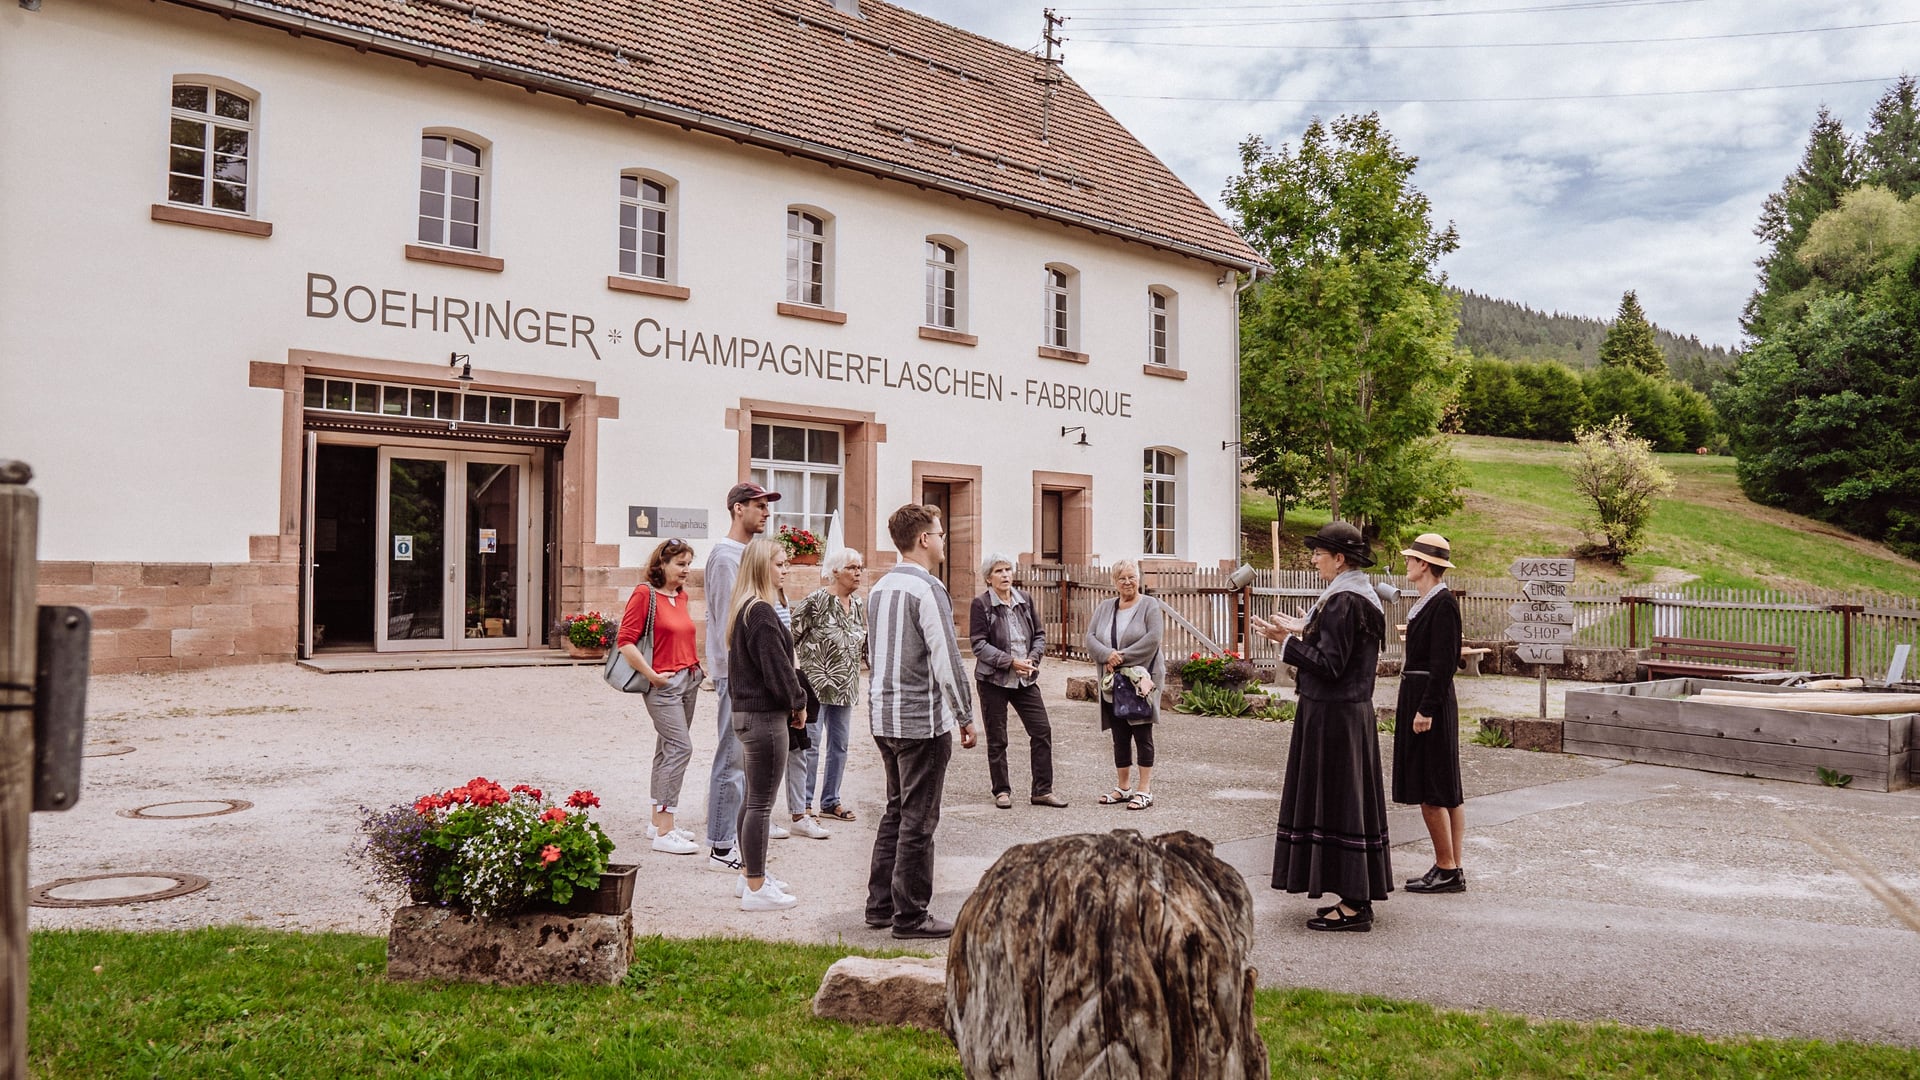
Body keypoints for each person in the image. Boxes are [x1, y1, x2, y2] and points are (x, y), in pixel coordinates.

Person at [1251, 520, 1392, 932]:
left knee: (1342, 802)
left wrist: (1287, 644)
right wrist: (1300, 631)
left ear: (1340, 559)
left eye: (1318, 554)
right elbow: (1338, 651)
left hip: (1335, 716)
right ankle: (1352, 894)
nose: (1314, 561)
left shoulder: (1345, 600)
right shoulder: (1352, 596)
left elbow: (1331, 665)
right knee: (1341, 802)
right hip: (1344, 714)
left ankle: (1356, 902)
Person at [864, 504, 977, 940]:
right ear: (925, 539)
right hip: (920, 721)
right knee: (918, 820)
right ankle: (910, 915)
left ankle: (881, 904)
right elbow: (947, 658)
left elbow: (873, 654)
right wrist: (965, 715)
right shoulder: (928, 589)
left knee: (895, 810)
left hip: (884, 715)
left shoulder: (878, 588)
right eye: (941, 533)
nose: (944, 540)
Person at [704, 481, 783, 876]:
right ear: (738, 509)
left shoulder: (749, 554)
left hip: (746, 671)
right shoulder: (724, 557)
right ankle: (720, 842)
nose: (766, 513)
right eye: (759, 506)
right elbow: (726, 618)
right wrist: (740, 671)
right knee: (731, 757)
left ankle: (747, 826)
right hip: (734, 673)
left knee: (750, 758)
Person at [724, 539, 807, 910]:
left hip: (746, 715)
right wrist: (798, 703)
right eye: (779, 563)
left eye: (787, 563)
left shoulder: (745, 608)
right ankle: (757, 887)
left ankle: (749, 875)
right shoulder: (760, 612)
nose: (785, 569)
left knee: (753, 799)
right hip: (763, 717)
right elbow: (779, 669)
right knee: (760, 803)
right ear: (762, 567)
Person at [615, 537, 704, 855]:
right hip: (662, 684)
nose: (686, 570)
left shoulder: (681, 596)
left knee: (667, 748)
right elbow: (625, 641)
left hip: (689, 680)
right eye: (680, 564)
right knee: (681, 748)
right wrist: (651, 675)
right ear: (661, 564)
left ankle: (657, 822)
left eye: (689, 564)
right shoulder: (644, 594)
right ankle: (666, 832)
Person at [1393, 533, 1467, 895]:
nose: (1406, 563)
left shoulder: (1442, 603)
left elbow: (1444, 662)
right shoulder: (1428, 602)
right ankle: (1450, 866)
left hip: (1428, 700)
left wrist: (1425, 708)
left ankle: (1447, 866)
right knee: (1444, 785)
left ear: (1424, 564)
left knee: (1433, 787)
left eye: (1410, 559)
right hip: (1423, 695)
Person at [970, 553, 1065, 809]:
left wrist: (1032, 660)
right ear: (989, 578)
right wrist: (1011, 662)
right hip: (994, 680)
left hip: (1025, 679)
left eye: (1008, 569)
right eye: (999, 571)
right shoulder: (981, 605)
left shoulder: (1025, 600)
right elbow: (979, 645)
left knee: (1042, 731)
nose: (1005, 575)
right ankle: (1001, 791)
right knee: (998, 737)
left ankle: (1042, 791)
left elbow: (1040, 635)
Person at [789, 546, 867, 830]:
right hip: (815, 685)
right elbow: (791, 636)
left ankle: (830, 800)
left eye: (860, 567)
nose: (858, 572)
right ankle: (805, 803)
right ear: (835, 571)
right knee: (810, 744)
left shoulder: (858, 604)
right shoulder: (816, 600)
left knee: (840, 746)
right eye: (852, 568)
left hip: (845, 686)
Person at [1085, 559, 1163, 810]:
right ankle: (1123, 787)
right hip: (1114, 681)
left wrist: (1120, 658)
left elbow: (1153, 639)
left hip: (1140, 679)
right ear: (1114, 582)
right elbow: (1090, 637)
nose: (1128, 582)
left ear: (1139, 578)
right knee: (1119, 734)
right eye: (1122, 578)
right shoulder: (1106, 607)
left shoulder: (1150, 605)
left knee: (1142, 732)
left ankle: (1145, 790)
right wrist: (1106, 655)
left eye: (1132, 577)